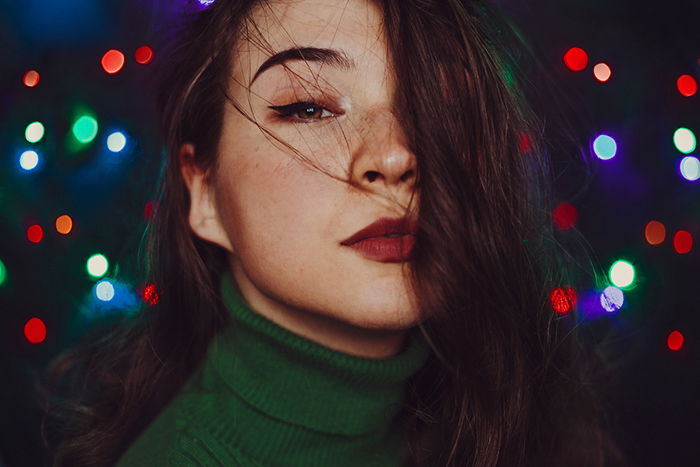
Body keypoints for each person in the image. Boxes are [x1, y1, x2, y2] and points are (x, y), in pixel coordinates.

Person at [41, 0, 627, 465]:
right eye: (308, 108)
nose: (395, 155)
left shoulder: (509, 411)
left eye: (436, 103)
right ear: (205, 192)